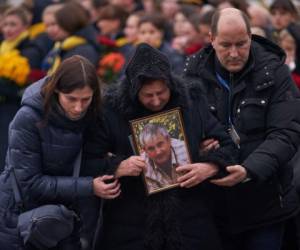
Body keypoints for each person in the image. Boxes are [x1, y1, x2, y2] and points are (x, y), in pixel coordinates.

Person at [84, 43, 238, 250]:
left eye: (161, 92)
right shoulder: (111, 111)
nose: (156, 101)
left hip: (189, 217)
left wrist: (209, 167)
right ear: (133, 90)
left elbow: (229, 146)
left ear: (171, 86)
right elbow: (87, 160)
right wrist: (117, 167)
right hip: (131, 221)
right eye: (148, 95)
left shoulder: (191, 102)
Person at [183, 7, 300, 250]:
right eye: (226, 45)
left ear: (250, 37)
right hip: (212, 207)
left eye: (241, 44)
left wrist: (248, 170)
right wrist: (199, 147)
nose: (234, 53)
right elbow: (182, 132)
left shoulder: (274, 72)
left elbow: (286, 133)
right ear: (211, 40)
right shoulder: (191, 76)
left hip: (264, 203)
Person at [0, 55, 120, 250]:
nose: (78, 107)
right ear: (56, 90)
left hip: (66, 218)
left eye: (85, 99)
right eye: (71, 99)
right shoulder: (28, 118)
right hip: (21, 218)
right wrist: (89, 186)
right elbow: (30, 183)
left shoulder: (95, 114)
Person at [140, 123, 190, 193]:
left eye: (160, 144)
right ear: (145, 150)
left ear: (169, 140)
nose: (158, 152)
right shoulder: (142, 166)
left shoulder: (186, 150)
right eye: (151, 148)